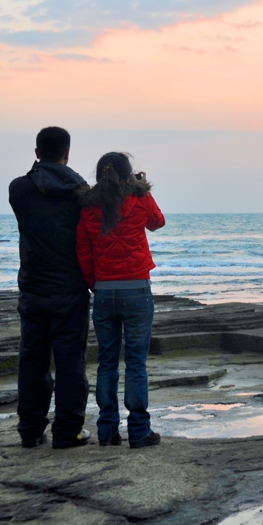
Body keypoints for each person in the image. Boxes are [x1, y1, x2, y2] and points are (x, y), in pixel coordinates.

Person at [8, 126, 91, 449]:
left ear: (37, 153)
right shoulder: (80, 192)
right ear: (67, 153)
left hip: (32, 288)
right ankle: (68, 430)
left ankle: (30, 430)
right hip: (70, 288)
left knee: (33, 360)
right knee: (71, 362)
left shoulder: (19, 189)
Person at [76, 152, 165, 449]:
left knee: (107, 363)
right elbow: (157, 222)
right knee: (136, 364)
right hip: (136, 289)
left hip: (104, 292)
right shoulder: (138, 200)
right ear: (129, 176)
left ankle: (107, 431)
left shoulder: (88, 207)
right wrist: (143, 188)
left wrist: (95, 285)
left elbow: (83, 252)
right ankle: (139, 432)